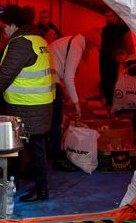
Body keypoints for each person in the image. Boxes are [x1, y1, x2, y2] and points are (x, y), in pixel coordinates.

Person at [0, 5, 54, 202]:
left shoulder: (20, 43)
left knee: (24, 147)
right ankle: (24, 183)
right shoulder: (39, 39)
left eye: (5, 27)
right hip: (40, 103)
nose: (5, 31)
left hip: (26, 105)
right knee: (33, 146)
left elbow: (4, 76)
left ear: (12, 24)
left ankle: (36, 188)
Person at [48, 34, 90, 171]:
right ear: (91, 43)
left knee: (49, 122)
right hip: (50, 84)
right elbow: (68, 77)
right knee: (55, 122)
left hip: (47, 81)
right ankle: (57, 158)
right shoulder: (77, 46)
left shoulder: (70, 40)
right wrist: (76, 104)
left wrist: (67, 95)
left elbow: (63, 74)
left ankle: (52, 153)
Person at [99, 9, 133, 106]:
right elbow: (103, 45)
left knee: (112, 82)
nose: (109, 18)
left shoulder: (119, 29)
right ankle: (108, 103)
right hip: (103, 59)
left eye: (111, 16)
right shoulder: (104, 29)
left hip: (113, 60)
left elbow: (129, 24)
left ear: (115, 17)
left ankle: (112, 104)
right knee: (104, 81)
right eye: (107, 16)